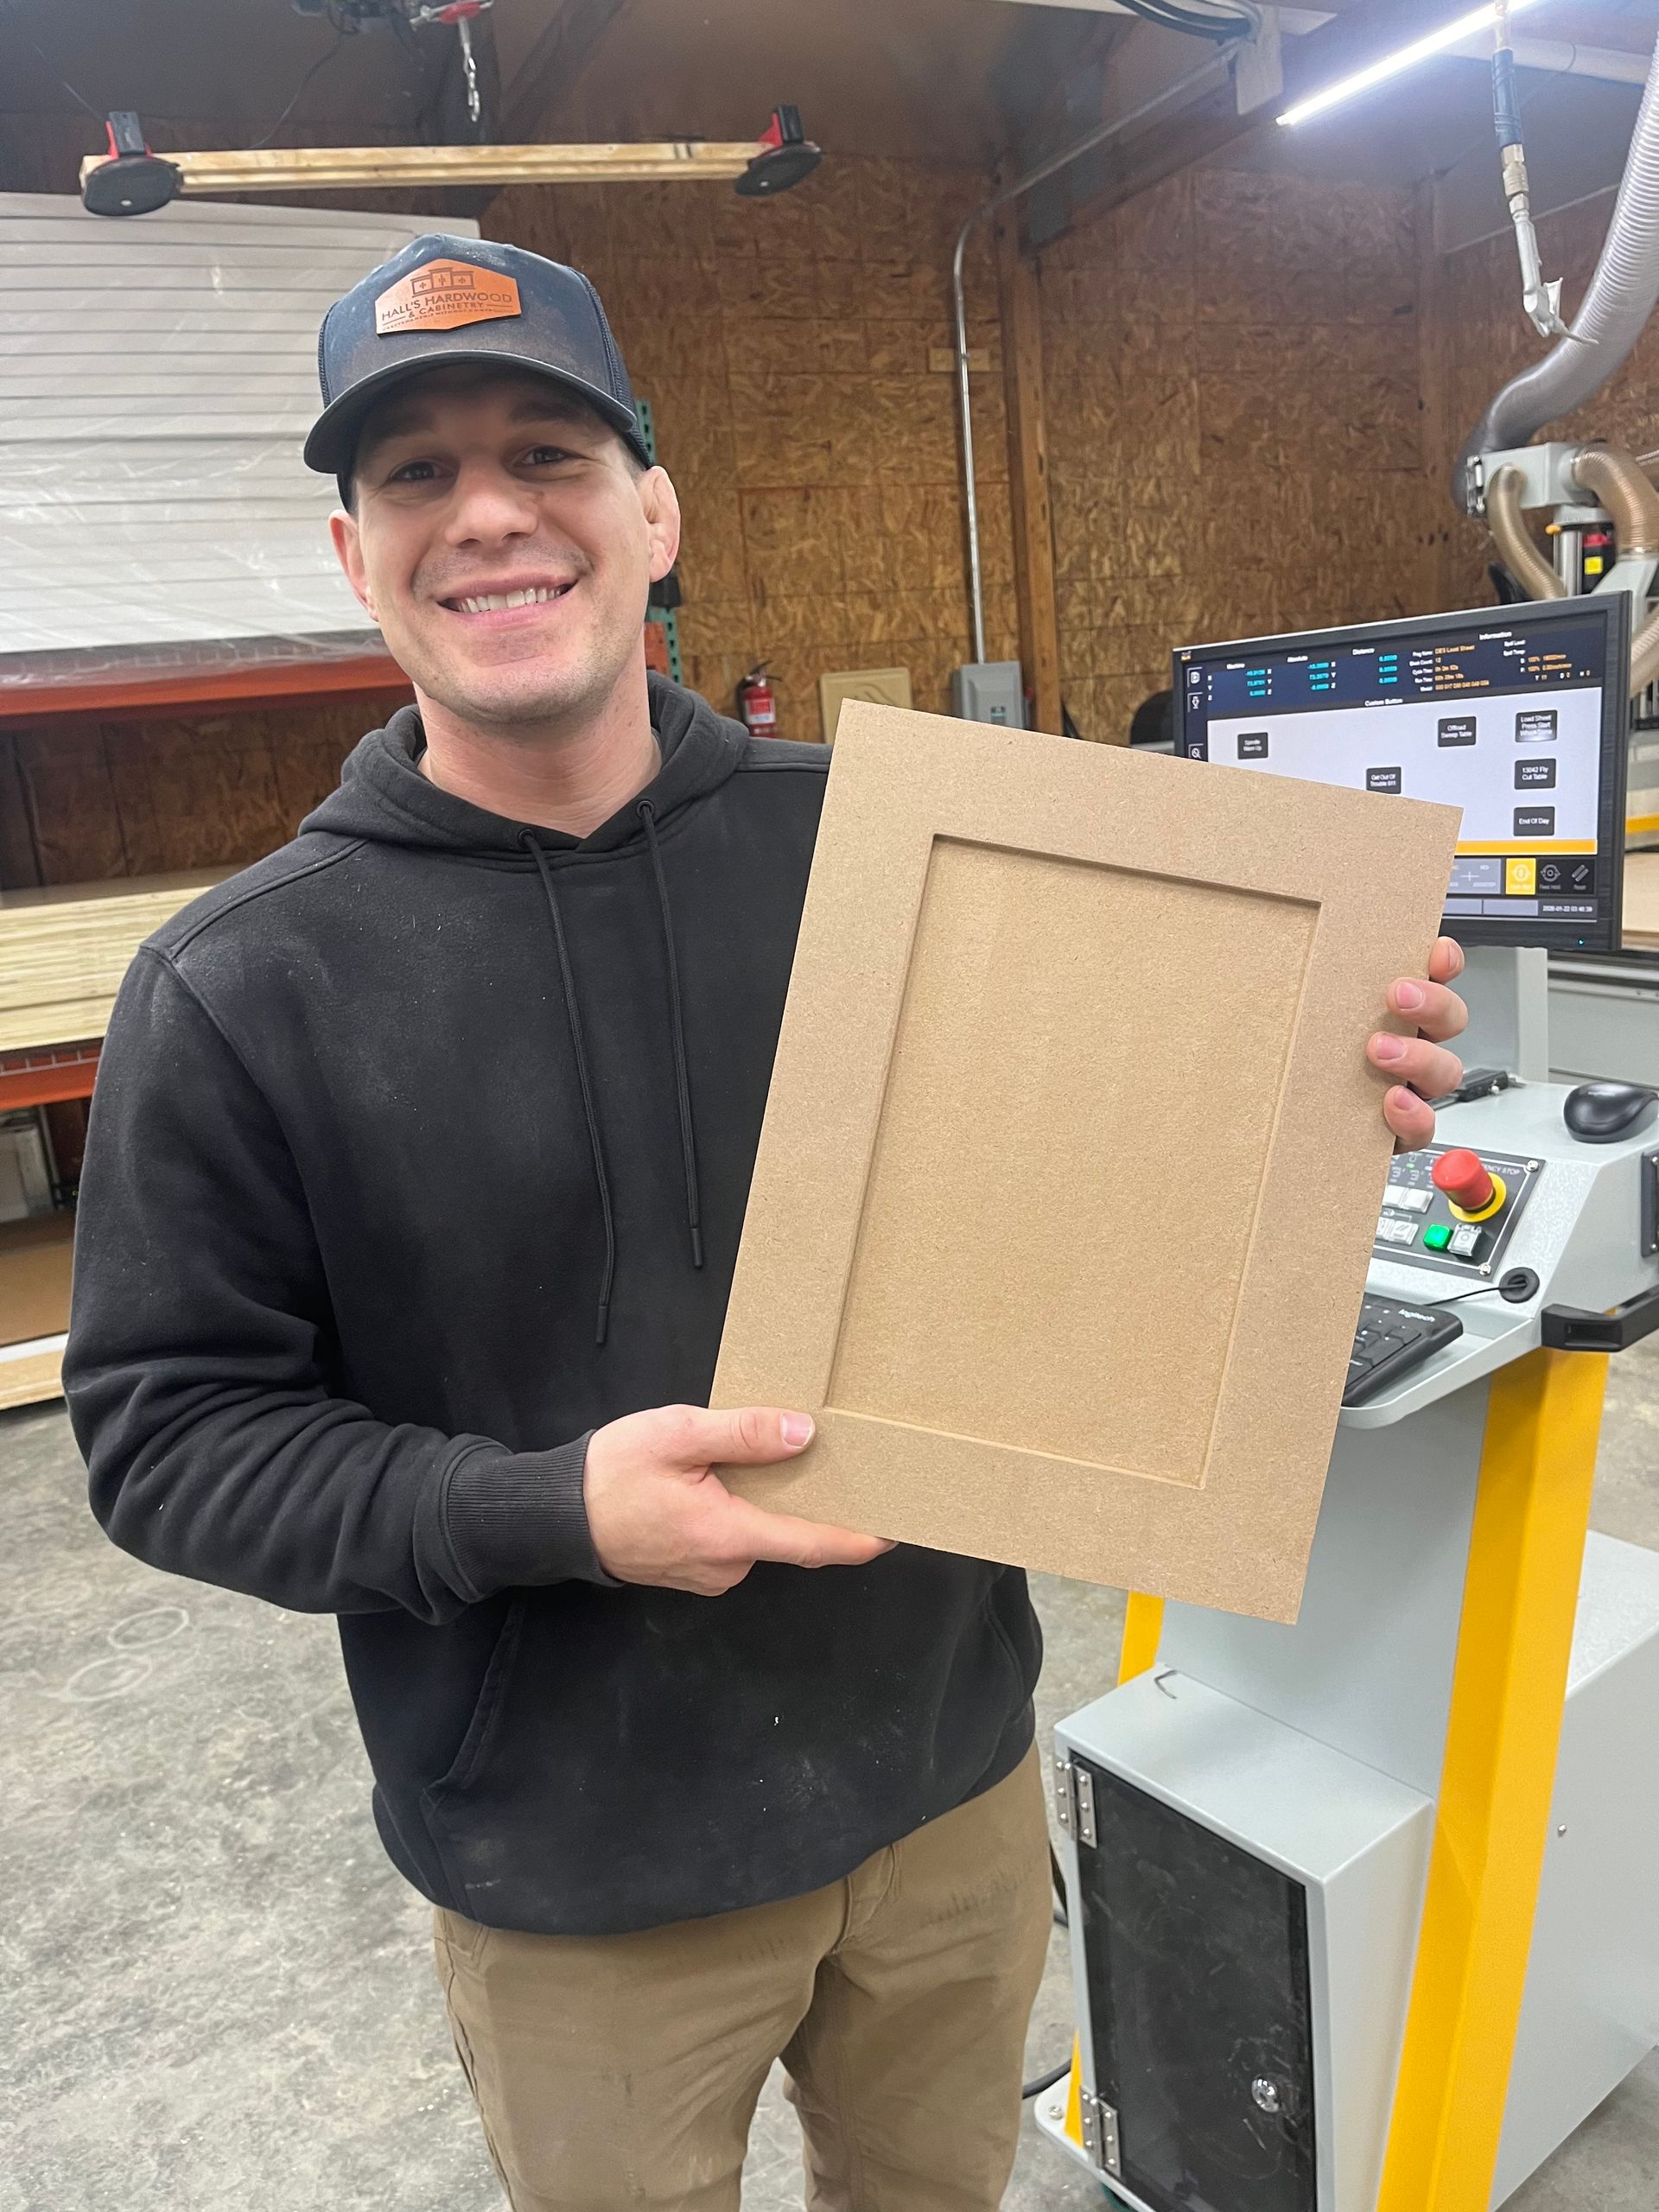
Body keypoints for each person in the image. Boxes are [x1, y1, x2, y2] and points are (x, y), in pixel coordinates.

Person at [65, 236, 1468, 2212]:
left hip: (945, 1783)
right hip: (580, 1872)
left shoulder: (922, 858)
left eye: (547, 450)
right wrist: (553, 1506)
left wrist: (1335, 1085)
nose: (487, 513)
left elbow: (1107, 1192)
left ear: (652, 508)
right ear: (351, 554)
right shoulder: (243, 983)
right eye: (415, 475)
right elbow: (170, 1441)